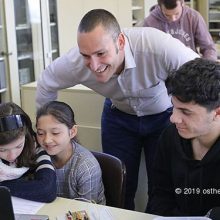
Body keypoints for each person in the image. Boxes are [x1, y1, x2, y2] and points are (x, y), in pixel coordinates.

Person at [36, 9, 199, 210]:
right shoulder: (75, 63)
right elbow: (46, 83)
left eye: (101, 53)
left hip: (163, 119)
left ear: (120, 42)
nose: (94, 65)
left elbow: (201, 75)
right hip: (118, 118)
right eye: (86, 56)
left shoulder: (158, 46)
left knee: (161, 186)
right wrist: (45, 131)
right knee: (120, 186)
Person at [149, 58, 220, 216]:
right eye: (174, 107)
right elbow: (159, 196)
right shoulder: (170, 137)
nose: (173, 118)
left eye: (186, 112)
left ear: (217, 112)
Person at [35, 101, 105, 204]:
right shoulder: (39, 155)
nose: (46, 140)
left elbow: (85, 211)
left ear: (72, 132)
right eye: (40, 133)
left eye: (55, 133)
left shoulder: (86, 166)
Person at [0, 102, 56, 202]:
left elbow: (47, 190)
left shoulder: (35, 148)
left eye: (18, 146)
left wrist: (3, 186)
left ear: (26, 136)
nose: (12, 156)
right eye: (2, 150)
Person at [143, 0, 217, 60]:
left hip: (190, 65)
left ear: (182, 3)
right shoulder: (150, 22)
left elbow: (208, 47)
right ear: (160, 7)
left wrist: (207, 67)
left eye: (177, 13)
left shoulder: (193, 17)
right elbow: (147, 53)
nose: (173, 19)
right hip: (163, 69)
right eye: (167, 15)